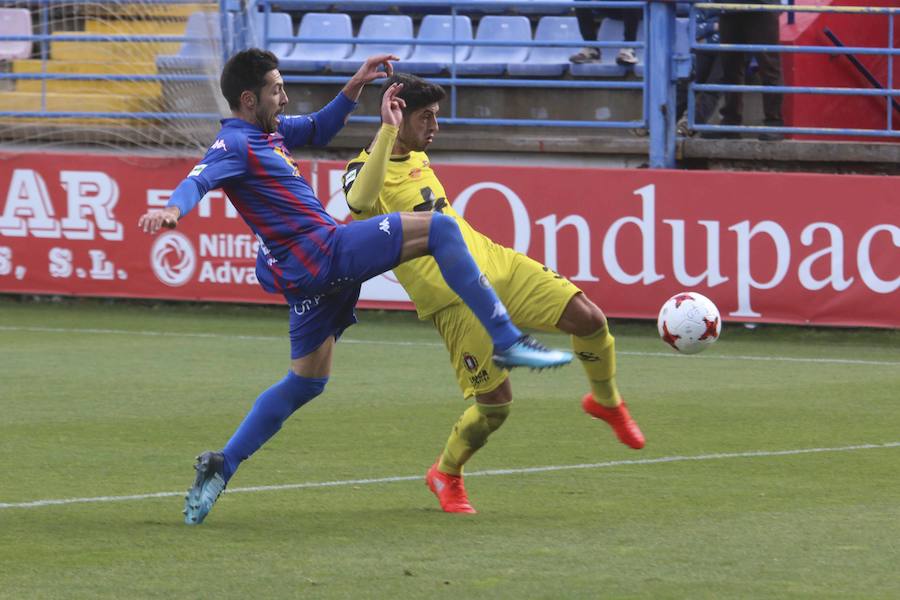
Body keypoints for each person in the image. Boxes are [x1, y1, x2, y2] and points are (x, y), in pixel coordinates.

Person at [137, 49, 573, 525]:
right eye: (276, 90)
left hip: (312, 276)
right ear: (248, 98)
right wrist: (173, 211)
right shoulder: (234, 144)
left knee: (307, 381)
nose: (284, 98)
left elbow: (322, 128)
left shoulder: (272, 133)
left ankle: (223, 464)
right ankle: (507, 341)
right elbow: (197, 181)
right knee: (441, 230)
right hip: (320, 254)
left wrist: (355, 84)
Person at [342, 73, 646, 514]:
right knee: (495, 408)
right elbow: (356, 204)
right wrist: (386, 130)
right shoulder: (364, 167)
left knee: (590, 318)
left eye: (437, 117)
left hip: (497, 263)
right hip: (453, 300)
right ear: (397, 115)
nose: (435, 127)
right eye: (426, 117)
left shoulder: (419, 157)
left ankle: (605, 401)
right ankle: (445, 473)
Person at [715, 0, 784, 140]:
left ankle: (773, 123)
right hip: (730, 8)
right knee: (730, 68)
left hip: (762, 7)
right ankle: (730, 123)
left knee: (769, 66)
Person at [569, 2, 641, 67]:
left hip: (641, 8)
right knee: (581, 1)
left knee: (631, 2)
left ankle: (629, 49)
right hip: (615, 6)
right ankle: (591, 49)